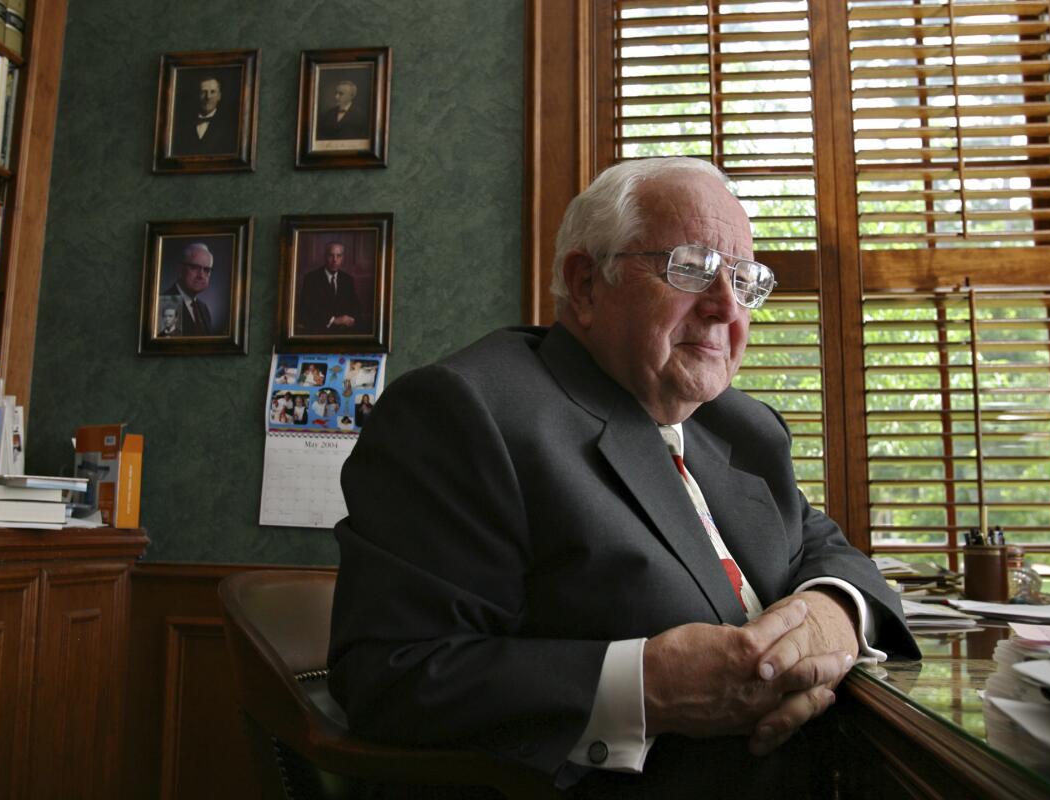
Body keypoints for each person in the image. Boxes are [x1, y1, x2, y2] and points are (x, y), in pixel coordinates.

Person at [326, 157, 919, 796]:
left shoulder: (742, 427)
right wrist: (648, 688)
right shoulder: (468, 412)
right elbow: (391, 675)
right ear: (586, 285)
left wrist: (835, 612)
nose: (726, 307)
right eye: (692, 268)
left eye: (745, 281)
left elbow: (821, 547)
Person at [295, 242, 362, 334]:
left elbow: (356, 306)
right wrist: (334, 320)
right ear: (325, 257)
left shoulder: (348, 280)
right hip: (319, 332)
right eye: (331, 255)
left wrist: (350, 318)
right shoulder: (311, 279)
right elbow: (306, 310)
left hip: (343, 332)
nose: (335, 260)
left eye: (338, 256)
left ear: (342, 258)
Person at [160, 242, 220, 336]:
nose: (201, 275)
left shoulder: (203, 308)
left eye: (206, 270)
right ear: (180, 269)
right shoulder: (165, 303)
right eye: (195, 267)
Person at [172, 76, 236, 155]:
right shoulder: (181, 124)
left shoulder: (229, 127)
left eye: (212, 92)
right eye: (203, 92)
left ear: (219, 96)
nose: (208, 97)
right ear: (197, 95)